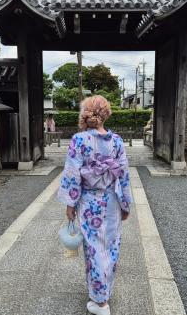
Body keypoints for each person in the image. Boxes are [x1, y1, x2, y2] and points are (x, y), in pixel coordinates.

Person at [57, 95, 132, 315]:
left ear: (85, 114)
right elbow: (124, 176)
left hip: (89, 202)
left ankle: (100, 302)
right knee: (111, 246)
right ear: (106, 113)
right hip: (112, 202)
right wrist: (125, 204)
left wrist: (70, 205)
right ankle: (104, 291)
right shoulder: (117, 141)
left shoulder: (79, 140)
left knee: (94, 248)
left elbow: (72, 174)